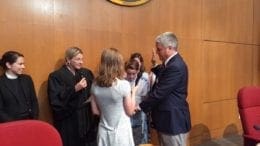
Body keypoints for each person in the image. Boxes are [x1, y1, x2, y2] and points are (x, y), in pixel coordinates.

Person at [139, 32, 191, 146]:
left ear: (170, 48)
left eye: (159, 49)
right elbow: (163, 72)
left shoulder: (175, 66)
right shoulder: (169, 64)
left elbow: (159, 93)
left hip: (173, 122)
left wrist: (139, 106)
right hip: (166, 120)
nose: (157, 53)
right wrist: (154, 66)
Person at [48, 47, 98, 146]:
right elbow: (56, 101)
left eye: (82, 59)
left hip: (86, 116)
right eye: (78, 59)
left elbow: (94, 91)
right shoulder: (56, 76)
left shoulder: (86, 73)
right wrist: (74, 89)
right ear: (68, 60)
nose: (81, 62)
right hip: (70, 120)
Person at [91, 48, 137, 146]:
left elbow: (95, 111)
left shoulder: (94, 85)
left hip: (103, 131)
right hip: (121, 133)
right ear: (118, 64)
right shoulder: (123, 85)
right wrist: (133, 92)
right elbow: (130, 112)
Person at [0, 51, 39, 122]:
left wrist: (34, 119)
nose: (23, 67)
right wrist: (14, 125)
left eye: (23, 64)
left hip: (30, 121)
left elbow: (34, 101)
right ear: (8, 65)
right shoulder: (1, 83)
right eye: (20, 64)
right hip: (11, 124)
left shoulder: (27, 79)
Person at [127, 54, 150, 145]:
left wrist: (138, 106)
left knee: (141, 135)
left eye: (134, 74)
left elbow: (146, 97)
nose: (131, 76)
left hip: (139, 111)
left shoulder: (143, 79)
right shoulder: (123, 81)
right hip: (128, 112)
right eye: (129, 74)